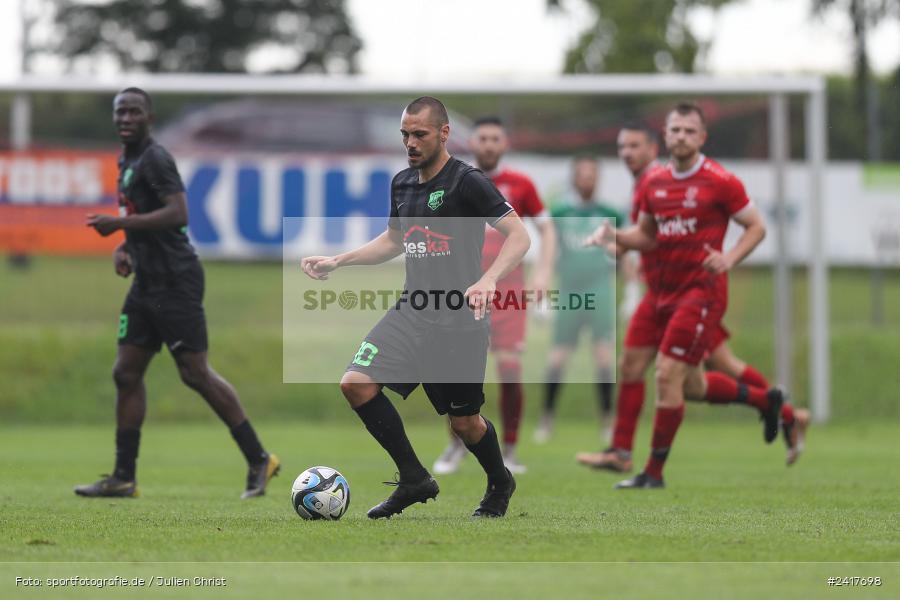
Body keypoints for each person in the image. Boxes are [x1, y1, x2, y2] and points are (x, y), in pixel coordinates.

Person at [301, 97, 530, 518]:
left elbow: (518, 235)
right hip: (412, 309)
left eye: (419, 134)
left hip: (460, 320)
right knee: (355, 383)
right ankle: (413, 478)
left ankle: (500, 480)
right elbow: (392, 240)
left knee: (465, 425)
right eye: (405, 134)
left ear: (444, 134)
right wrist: (339, 260)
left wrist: (488, 279)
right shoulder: (402, 183)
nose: (410, 142)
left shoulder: (468, 182)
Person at [76, 88, 279, 499]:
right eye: (120, 112)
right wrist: (125, 247)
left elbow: (178, 213)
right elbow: (139, 214)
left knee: (195, 374)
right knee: (126, 372)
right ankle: (123, 477)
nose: (125, 118)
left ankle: (260, 459)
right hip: (146, 281)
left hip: (176, 280)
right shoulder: (126, 159)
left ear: (149, 118)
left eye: (134, 111)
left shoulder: (155, 157)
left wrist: (119, 228)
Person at [577, 123, 809, 472]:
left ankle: (787, 412)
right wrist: (620, 246)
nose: (627, 153)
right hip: (664, 294)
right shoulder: (649, 184)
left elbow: (657, 239)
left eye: (635, 146)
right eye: (622, 146)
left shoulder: (663, 180)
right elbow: (649, 237)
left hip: (689, 294)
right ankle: (620, 452)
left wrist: (622, 248)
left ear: (654, 149)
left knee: (702, 375)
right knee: (654, 369)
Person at [432, 116, 555, 475]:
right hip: (463, 291)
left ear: (505, 145)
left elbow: (548, 232)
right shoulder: (453, 181)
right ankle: (456, 445)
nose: (487, 144)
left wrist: (544, 273)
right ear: (473, 143)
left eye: (494, 139)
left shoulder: (521, 185)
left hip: (508, 293)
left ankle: (511, 450)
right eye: (482, 138)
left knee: (510, 370)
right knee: (457, 371)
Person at [533, 157, 623, 444]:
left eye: (592, 175)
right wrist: (542, 290)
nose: (587, 180)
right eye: (582, 175)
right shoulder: (560, 213)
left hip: (600, 290)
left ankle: (608, 422)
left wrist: (633, 289)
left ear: (598, 179)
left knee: (604, 357)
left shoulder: (610, 213)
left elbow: (627, 252)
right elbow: (548, 252)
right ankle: (546, 419)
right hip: (570, 291)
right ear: (574, 179)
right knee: (558, 357)